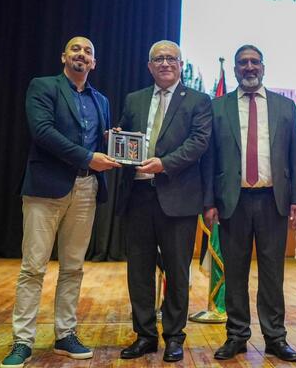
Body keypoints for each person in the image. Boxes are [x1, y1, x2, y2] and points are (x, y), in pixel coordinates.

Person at [1, 37, 120, 368]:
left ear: (94, 63)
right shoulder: (43, 87)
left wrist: (112, 142)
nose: (81, 54)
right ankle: (22, 341)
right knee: (33, 267)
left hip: (86, 189)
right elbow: (42, 132)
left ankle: (65, 334)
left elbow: (96, 144)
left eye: (88, 51)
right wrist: (88, 156)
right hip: (45, 188)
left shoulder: (101, 100)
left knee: (73, 268)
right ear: (63, 57)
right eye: (75, 49)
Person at [202, 44, 296, 362]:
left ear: (263, 67)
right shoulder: (217, 106)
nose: (249, 67)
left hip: (273, 201)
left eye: (255, 62)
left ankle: (275, 338)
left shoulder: (285, 107)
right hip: (232, 201)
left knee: (273, 273)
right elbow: (209, 158)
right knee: (235, 273)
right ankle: (236, 336)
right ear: (235, 69)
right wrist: (208, 201)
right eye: (243, 63)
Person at [116, 40, 212, 362]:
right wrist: (116, 140)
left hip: (178, 198)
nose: (165, 63)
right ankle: (144, 335)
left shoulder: (198, 100)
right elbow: (125, 136)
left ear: (181, 65)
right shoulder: (134, 99)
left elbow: (198, 142)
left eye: (172, 58)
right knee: (139, 271)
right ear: (150, 66)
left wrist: (164, 164)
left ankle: (174, 336)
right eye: (159, 58)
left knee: (177, 272)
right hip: (138, 197)